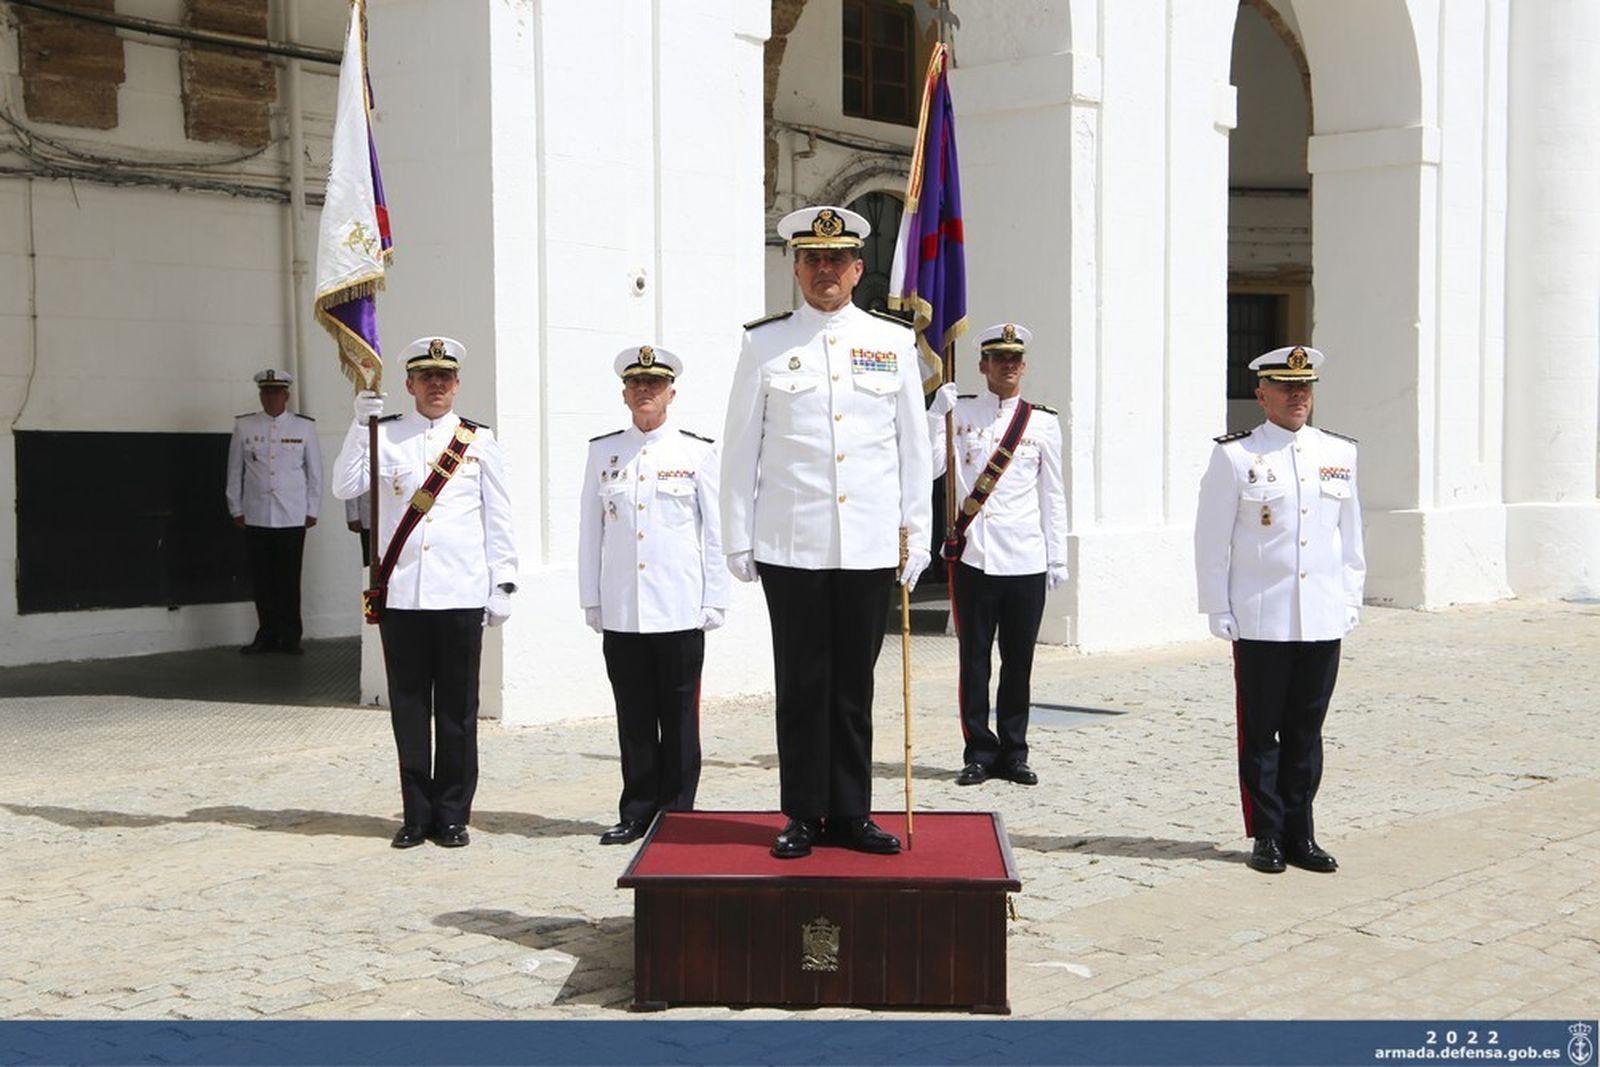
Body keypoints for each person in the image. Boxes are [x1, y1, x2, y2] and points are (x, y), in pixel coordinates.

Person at [721, 204, 933, 860]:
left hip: (868, 544)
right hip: (791, 542)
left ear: (857, 267)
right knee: (803, 682)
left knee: (854, 686)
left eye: (836, 259)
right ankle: (802, 814)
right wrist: (737, 535)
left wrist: (916, 535)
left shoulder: (892, 342)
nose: (824, 270)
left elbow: (914, 450)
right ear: (796, 266)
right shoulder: (765, 344)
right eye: (812, 260)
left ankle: (851, 812)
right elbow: (739, 448)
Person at [332, 337, 518, 850]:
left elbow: (498, 516)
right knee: (409, 710)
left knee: (457, 711)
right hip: (404, 596)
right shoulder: (385, 436)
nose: (437, 385)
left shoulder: (477, 441)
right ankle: (416, 814)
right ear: (410, 385)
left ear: (456, 384)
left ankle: (453, 813)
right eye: (426, 377)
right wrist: (359, 424)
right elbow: (345, 486)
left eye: (445, 377)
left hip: (460, 593)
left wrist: (501, 581)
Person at [1194, 345, 1365, 875]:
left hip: (1320, 617)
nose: (1298, 397)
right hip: (1261, 615)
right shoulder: (1236, 456)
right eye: (1287, 389)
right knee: (1262, 730)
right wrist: (1216, 606)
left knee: (1306, 732)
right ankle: (1266, 834)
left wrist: (1350, 598)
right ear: (1261, 394)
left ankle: (1301, 832)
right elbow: (1211, 539)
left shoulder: (1339, 453)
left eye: (1305, 388)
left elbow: (1350, 538)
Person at [579, 345, 729, 847]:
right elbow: (590, 531)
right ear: (625, 393)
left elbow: (713, 531)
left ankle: (678, 816)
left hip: (679, 606)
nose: (645, 392)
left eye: (655, 385)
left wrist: (715, 598)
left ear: (671, 393)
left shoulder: (697, 452)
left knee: (681, 718)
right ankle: (637, 810)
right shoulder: (604, 452)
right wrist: (592, 599)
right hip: (623, 609)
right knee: (634, 717)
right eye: (637, 385)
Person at [927, 323, 1068, 788]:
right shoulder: (961, 413)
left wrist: (1057, 556)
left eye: (1015, 358)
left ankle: (1015, 750)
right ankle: (978, 751)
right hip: (975, 557)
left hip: (1026, 558)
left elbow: (1053, 494)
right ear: (982, 365)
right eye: (998, 358)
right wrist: (935, 415)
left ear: (1023, 366)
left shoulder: (1043, 422)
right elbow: (932, 467)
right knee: (974, 659)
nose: (1007, 365)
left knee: (1018, 660)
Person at [226, 368, 321, 655]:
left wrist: (312, 508)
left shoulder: (303, 427)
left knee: (290, 579)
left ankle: (290, 636)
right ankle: (266, 634)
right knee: (262, 579)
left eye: (276, 392)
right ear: (261, 395)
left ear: (286, 396)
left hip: (292, 514)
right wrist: (236, 507)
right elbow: (234, 471)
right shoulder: (245, 426)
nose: (271, 398)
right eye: (266, 392)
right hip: (256, 514)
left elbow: (315, 471)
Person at [344, 491, 372, 567]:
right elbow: (353, 483)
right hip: (369, 514)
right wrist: (353, 515)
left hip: (396, 511)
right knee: (370, 561)